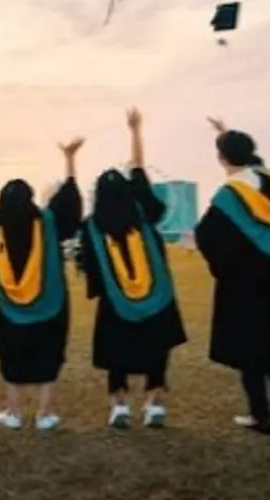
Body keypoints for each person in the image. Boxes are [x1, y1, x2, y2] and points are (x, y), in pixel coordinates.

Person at [78, 109, 187, 430]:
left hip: (115, 302)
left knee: (116, 354)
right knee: (156, 349)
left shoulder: (93, 227)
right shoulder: (144, 216)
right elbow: (140, 173)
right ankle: (154, 405)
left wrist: (101, 289)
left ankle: (119, 406)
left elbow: (90, 268)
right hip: (157, 297)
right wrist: (135, 131)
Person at [195, 117, 270, 435]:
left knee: (249, 346)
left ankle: (261, 415)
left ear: (222, 159)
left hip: (245, 277)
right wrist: (225, 135)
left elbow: (206, 234)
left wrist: (224, 268)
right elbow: (254, 164)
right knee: (268, 343)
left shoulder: (228, 195)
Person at [0, 138, 85, 431]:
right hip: (52, 307)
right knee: (48, 357)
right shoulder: (47, 222)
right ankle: (45, 414)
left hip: (11, 313)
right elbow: (69, 202)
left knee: (12, 360)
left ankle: (13, 412)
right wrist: (70, 160)